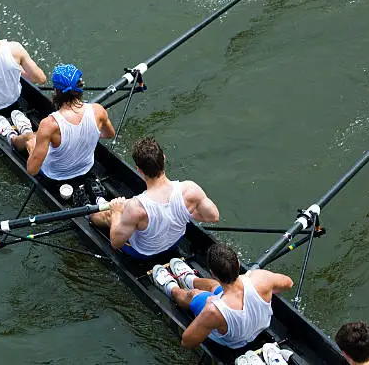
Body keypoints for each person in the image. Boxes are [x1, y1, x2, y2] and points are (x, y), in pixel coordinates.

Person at [88, 137, 219, 259]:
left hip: (143, 253)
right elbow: (213, 217)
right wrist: (185, 212)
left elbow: (116, 243)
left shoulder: (135, 207)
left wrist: (116, 211)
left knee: (108, 215)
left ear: (139, 170)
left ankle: (93, 209)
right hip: (175, 242)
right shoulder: (191, 190)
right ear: (163, 157)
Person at [152, 243, 293, 349]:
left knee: (195, 295)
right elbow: (288, 283)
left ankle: (171, 288)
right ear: (238, 262)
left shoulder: (213, 311)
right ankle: (189, 279)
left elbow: (187, 342)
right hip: (260, 326)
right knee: (215, 287)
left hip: (234, 341)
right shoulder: (261, 278)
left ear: (212, 273)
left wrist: (207, 310)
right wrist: (263, 290)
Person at [0, 64, 115, 187]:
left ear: (56, 91)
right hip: (85, 169)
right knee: (42, 137)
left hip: (54, 175)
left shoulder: (50, 124)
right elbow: (109, 134)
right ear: (80, 87)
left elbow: (32, 170)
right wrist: (82, 136)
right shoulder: (98, 111)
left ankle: (12, 136)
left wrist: (31, 149)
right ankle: (24, 128)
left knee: (31, 138)